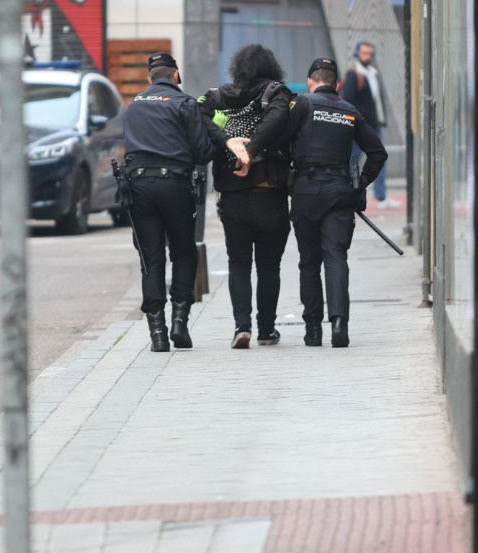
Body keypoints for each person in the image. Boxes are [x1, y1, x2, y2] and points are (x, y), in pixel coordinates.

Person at [272, 57, 386, 348]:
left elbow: (279, 141)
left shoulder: (303, 105)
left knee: (309, 262)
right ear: (337, 84)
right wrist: (360, 185)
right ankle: (339, 324)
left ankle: (312, 329)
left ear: (311, 82)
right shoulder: (350, 112)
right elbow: (377, 153)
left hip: (306, 191)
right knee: (336, 257)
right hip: (339, 191)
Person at [123, 51, 220, 353]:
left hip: (138, 186)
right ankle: (180, 322)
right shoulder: (184, 103)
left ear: (149, 78)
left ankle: (157, 335)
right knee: (182, 252)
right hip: (175, 186)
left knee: (151, 261)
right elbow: (203, 153)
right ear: (176, 75)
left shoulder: (133, 106)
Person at [198, 45, 294, 350]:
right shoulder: (276, 93)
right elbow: (279, 117)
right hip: (270, 194)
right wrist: (250, 151)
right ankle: (266, 329)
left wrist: (229, 142)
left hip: (233, 198)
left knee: (238, 263)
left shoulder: (216, 96)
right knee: (269, 266)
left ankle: (242, 327)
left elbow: (195, 114)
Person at [339, 40, 389, 206]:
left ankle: (381, 196)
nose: (367, 56)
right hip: (359, 126)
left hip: (375, 125)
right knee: (353, 159)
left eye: (370, 53)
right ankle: (346, 190)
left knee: (378, 157)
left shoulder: (372, 74)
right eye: (364, 53)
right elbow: (348, 101)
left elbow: (377, 101)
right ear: (357, 54)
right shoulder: (354, 74)